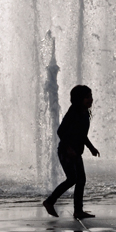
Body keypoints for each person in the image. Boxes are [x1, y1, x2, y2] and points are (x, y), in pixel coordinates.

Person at [43, 85, 100, 219]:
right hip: (66, 152)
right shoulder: (74, 111)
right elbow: (60, 131)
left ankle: (78, 211)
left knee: (81, 180)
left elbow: (82, 135)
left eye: (91, 96)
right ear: (78, 98)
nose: (90, 100)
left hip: (76, 152)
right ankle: (49, 201)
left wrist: (91, 147)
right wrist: (68, 148)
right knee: (73, 179)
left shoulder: (85, 112)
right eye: (87, 97)